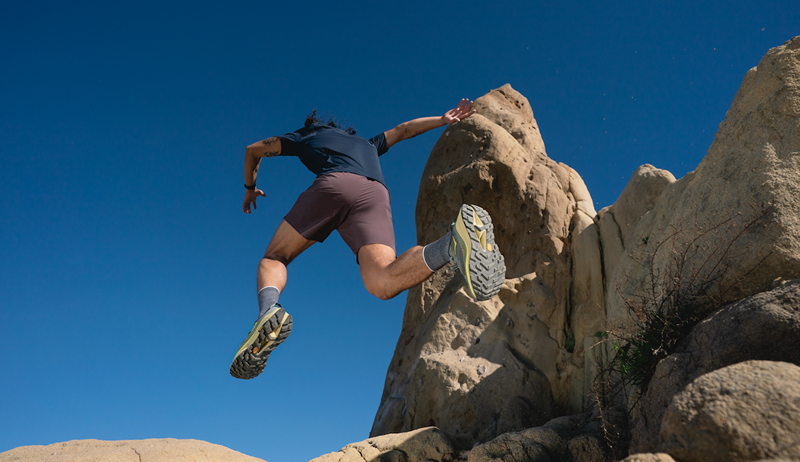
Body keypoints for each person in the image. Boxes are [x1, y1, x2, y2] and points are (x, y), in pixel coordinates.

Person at [230, 99, 506, 379]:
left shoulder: (307, 135)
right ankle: (453, 244)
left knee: (275, 257)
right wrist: (442, 119)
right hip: (376, 194)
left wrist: (249, 188)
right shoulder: (367, 144)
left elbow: (253, 150)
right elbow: (402, 130)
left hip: (335, 185)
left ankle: (268, 311)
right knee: (382, 281)